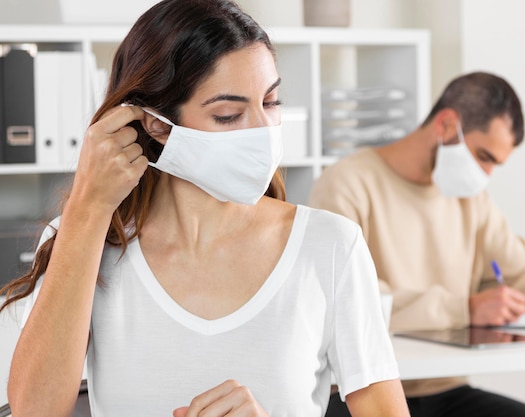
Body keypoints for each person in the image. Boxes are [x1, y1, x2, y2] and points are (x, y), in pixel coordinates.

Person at [0, 1, 410, 416]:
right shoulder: (85, 241)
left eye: (271, 103)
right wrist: (88, 209)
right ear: (157, 124)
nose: (263, 132)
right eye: (229, 115)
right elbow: (35, 410)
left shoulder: (331, 246)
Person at [309, 71, 525, 417]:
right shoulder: (346, 184)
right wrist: (465, 309)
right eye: (484, 156)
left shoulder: (469, 199)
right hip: (362, 396)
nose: (485, 174)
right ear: (446, 124)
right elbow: (354, 303)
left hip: (442, 388)